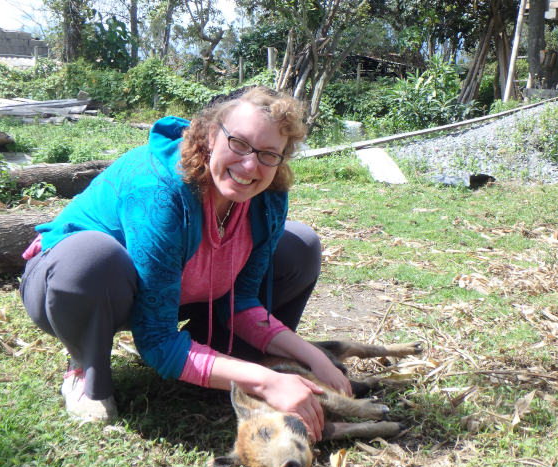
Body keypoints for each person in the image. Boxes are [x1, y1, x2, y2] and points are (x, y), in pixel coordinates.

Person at [19, 86, 352, 442]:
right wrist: (267, 382)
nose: (250, 165)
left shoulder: (267, 198)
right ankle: (85, 365)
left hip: (171, 289)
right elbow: (156, 340)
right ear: (211, 135)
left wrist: (312, 356)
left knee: (299, 245)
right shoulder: (160, 189)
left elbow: (242, 301)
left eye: (269, 154)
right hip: (71, 285)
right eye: (238, 143)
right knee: (92, 259)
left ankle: (226, 359)